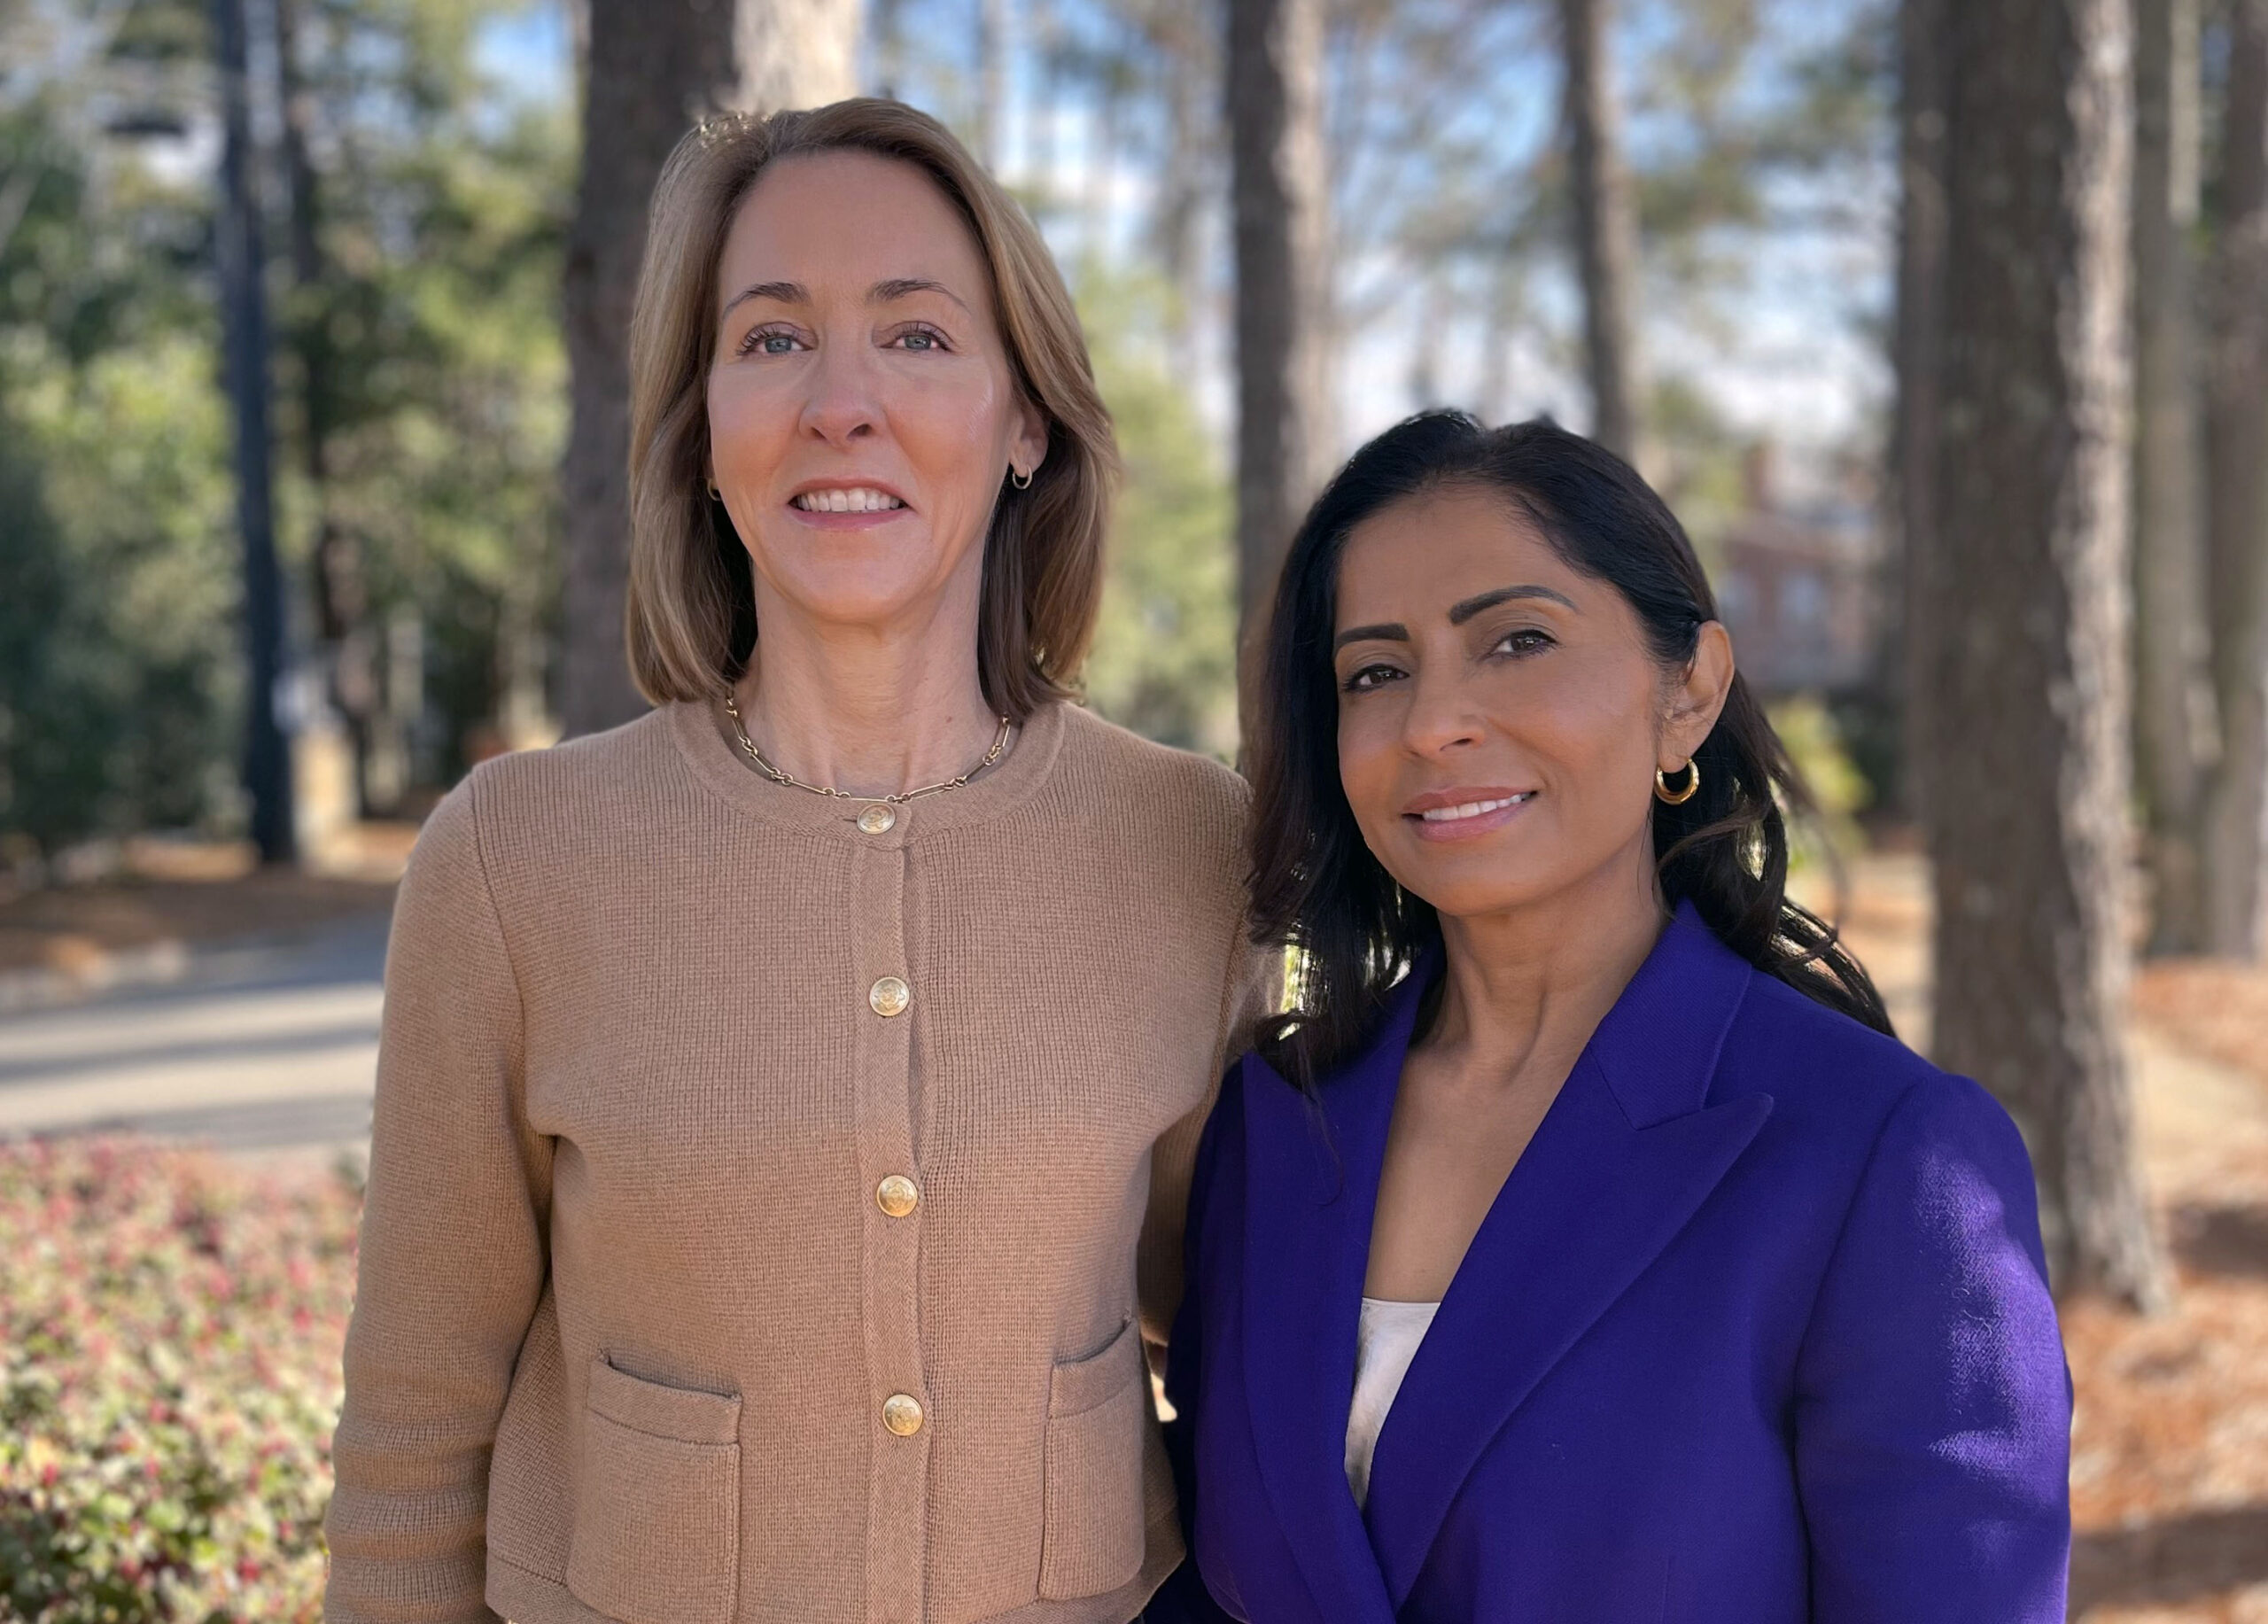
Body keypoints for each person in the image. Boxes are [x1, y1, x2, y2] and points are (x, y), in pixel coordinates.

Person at [325, 100, 1266, 1624]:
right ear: (699, 429)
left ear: (1025, 420)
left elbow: (1232, 1338)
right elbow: (413, 1431)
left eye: (915, 335)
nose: (841, 402)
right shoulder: (512, 862)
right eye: (771, 340)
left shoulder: (1188, 839)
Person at [1159, 413, 2070, 1623]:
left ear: (1687, 691)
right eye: (1376, 671)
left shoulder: (1890, 1163)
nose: (1434, 721)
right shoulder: (1272, 1131)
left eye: (1516, 640)